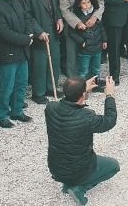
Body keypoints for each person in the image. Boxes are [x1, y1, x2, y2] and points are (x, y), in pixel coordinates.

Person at [45, 76, 119, 206]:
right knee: (114, 166)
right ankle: (79, 187)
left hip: (55, 168)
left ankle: (68, 183)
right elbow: (110, 120)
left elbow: (69, 100)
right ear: (83, 95)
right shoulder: (87, 117)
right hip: (79, 170)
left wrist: (81, 90)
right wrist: (109, 96)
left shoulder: (50, 108)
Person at [0, 0, 39, 128]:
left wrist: (30, 33)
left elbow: (26, 17)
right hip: (6, 53)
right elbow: (3, 32)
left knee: (21, 83)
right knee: (5, 86)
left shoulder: (15, 0)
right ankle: (2, 115)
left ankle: (17, 111)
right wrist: (26, 39)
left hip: (22, 51)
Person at [20, 0, 64, 102]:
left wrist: (59, 18)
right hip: (39, 30)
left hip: (53, 28)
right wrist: (38, 31)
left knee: (55, 59)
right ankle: (38, 93)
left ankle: (51, 87)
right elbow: (27, 15)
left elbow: (55, 4)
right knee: (40, 62)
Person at [59, 0, 104, 78]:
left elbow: (100, 3)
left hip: (92, 25)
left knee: (92, 54)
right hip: (74, 27)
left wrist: (95, 17)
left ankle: (93, 81)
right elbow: (65, 9)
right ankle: (74, 84)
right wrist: (78, 23)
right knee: (72, 55)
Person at [69, 0, 107, 81]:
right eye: (83, 3)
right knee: (83, 71)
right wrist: (82, 42)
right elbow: (72, 33)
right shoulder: (76, 17)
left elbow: (102, 28)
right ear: (79, 5)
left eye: (88, 2)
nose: (86, 5)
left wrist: (104, 40)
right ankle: (82, 88)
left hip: (97, 47)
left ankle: (95, 84)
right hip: (85, 50)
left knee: (96, 69)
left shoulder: (95, 14)